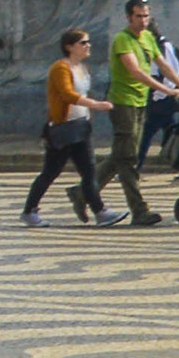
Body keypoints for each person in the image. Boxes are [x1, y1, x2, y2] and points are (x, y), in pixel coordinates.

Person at [22, 28, 114, 228]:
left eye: (88, 42)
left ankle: (101, 212)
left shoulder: (83, 68)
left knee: (89, 171)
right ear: (69, 47)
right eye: (83, 43)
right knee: (50, 172)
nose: (88, 45)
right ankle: (29, 210)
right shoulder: (60, 68)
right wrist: (95, 104)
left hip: (80, 127)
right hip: (63, 128)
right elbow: (66, 94)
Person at [106, 0, 179, 228]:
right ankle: (139, 210)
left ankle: (82, 192)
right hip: (123, 101)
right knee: (128, 158)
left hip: (140, 101)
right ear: (129, 17)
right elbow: (135, 71)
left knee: (123, 154)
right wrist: (165, 89)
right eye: (138, 16)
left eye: (146, 15)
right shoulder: (122, 40)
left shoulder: (148, 37)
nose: (143, 20)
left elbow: (164, 65)